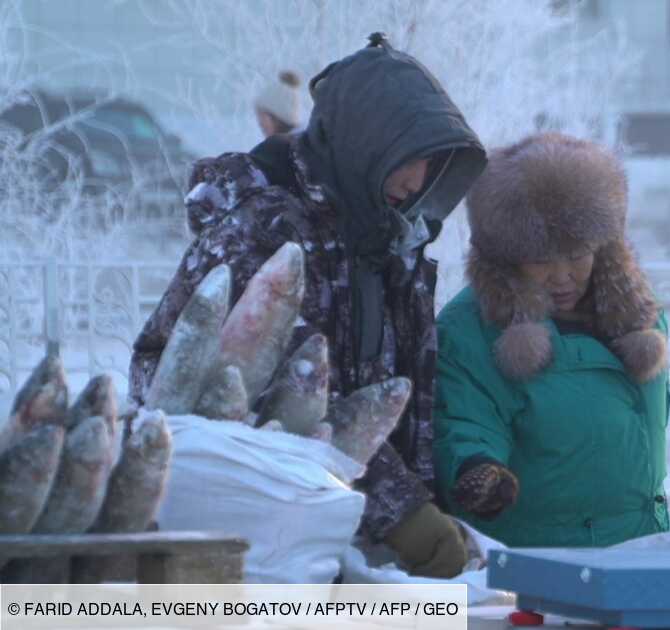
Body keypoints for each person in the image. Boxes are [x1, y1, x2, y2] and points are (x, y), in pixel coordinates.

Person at [130, 33, 487, 578]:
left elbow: (394, 398)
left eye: (432, 164)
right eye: (407, 159)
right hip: (245, 540)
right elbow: (287, 392)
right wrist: (406, 513)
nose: (417, 182)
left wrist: (424, 508)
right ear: (366, 143)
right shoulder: (266, 228)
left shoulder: (388, 241)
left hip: (340, 535)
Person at [433, 132, 670, 548]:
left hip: (639, 546)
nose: (562, 276)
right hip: (535, 558)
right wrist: (478, 473)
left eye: (578, 254)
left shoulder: (639, 315)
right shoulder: (470, 329)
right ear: (506, 256)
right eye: (541, 260)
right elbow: (464, 420)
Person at [254, 70, 302, 137]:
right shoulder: (302, 141)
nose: (260, 123)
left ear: (278, 117)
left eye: (263, 115)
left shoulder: (277, 146)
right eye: (258, 115)